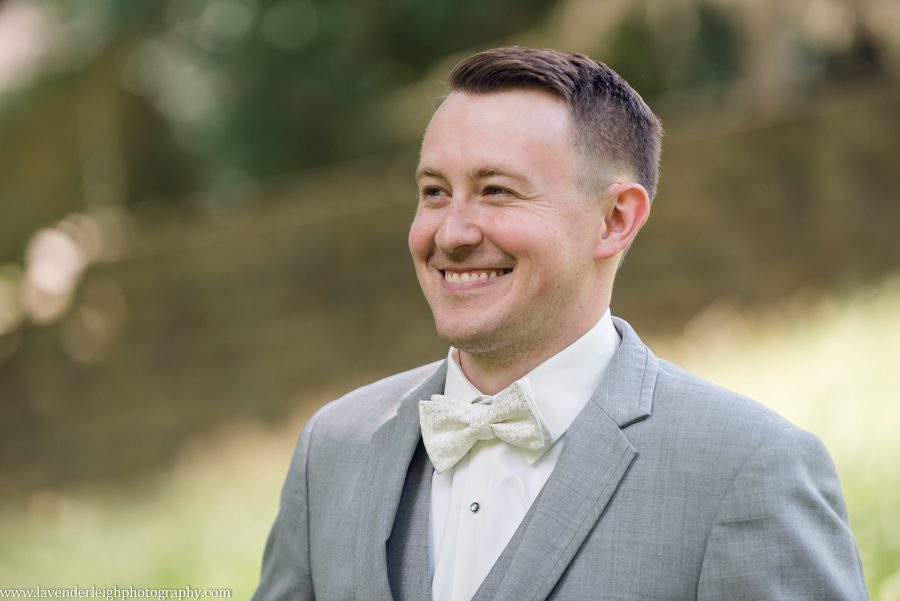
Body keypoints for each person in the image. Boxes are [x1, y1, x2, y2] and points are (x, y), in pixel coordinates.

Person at [252, 46, 868, 600]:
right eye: (435, 191)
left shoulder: (748, 468)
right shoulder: (331, 448)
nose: (452, 232)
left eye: (496, 190)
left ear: (615, 220)